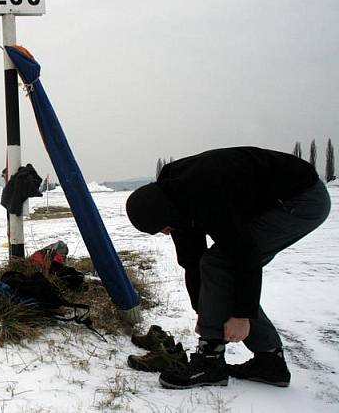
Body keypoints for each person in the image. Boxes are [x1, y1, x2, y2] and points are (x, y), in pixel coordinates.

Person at [125, 147, 330, 389]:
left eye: (162, 226)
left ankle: (211, 362)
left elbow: (244, 254)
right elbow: (192, 260)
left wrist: (241, 315)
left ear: (165, 212)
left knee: (222, 263)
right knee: (216, 267)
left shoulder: (203, 193)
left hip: (301, 199)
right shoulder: (173, 197)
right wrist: (203, 310)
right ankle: (269, 362)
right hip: (271, 197)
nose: (166, 232)